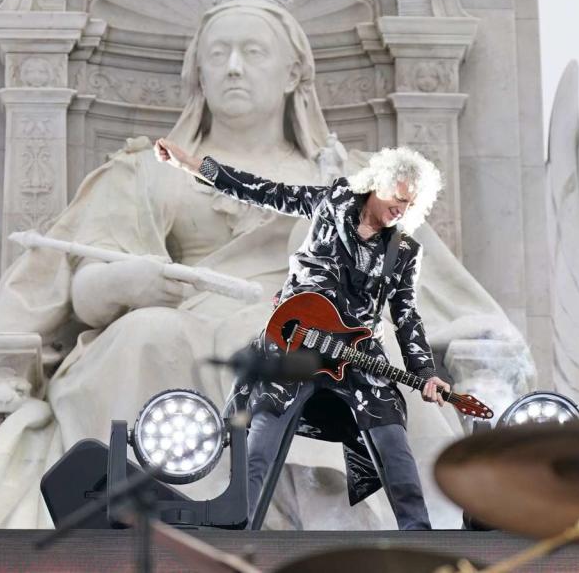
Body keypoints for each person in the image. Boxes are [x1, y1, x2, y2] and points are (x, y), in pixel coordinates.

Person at [0, 0, 523, 530]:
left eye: (252, 52)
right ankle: (163, 513)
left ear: (292, 73)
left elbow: (431, 292)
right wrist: (125, 285)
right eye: (218, 52)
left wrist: (474, 339)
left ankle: (364, 520)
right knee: (146, 333)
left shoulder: (351, 179)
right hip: (181, 324)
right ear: (196, 70)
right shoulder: (146, 171)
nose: (232, 66)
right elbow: (80, 286)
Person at [156, 138, 450, 529]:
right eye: (398, 198)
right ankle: (237, 528)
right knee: (262, 432)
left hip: (357, 351)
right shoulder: (332, 202)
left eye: (412, 205)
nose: (402, 209)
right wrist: (194, 166)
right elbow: (263, 191)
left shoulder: (406, 250)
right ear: (378, 183)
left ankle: (420, 540)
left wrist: (426, 370)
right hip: (299, 338)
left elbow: (406, 313)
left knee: (392, 439)